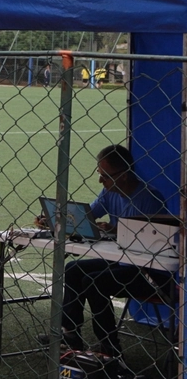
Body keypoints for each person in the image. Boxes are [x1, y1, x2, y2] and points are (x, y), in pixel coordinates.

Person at [55, 144, 169, 356]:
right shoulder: (110, 192)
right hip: (122, 261)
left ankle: (109, 345)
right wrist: (57, 221)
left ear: (124, 175)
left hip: (150, 271)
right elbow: (88, 216)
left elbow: (149, 242)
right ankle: (70, 333)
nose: (101, 181)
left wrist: (116, 231)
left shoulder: (150, 199)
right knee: (73, 269)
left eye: (105, 176)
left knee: (94, 281)